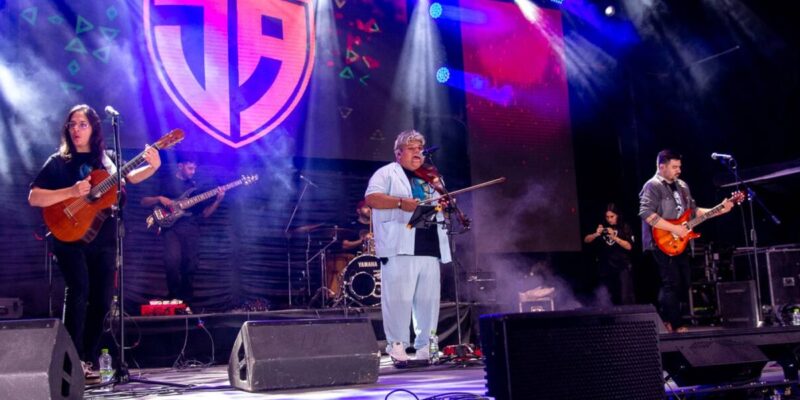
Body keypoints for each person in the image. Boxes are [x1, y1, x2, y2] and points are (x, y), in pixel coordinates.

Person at [28, 104, 161, 382]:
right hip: (67, 237)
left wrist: (153, 166)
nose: (76, 129)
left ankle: (87, 359)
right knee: (79, 291)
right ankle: (71, 358)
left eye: (82, 124)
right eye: (72, 124)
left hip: (103, 237)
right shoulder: (58, 161)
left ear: (94, 129)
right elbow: (35, 197)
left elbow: (130, 177)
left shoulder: (107, 159)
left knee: (102, 300)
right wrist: (71, 191)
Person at [365, 129, 452, 365]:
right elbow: (372, 199)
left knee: (428, 301)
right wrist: (400, 202)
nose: (417, 153)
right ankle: (397, 346)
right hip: (399, 246)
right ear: (398, 153)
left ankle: (426, 347)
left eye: (420, 149)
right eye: (411, 149)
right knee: (399, 300)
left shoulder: (432, 176)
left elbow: (441, 204)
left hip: (430, 247)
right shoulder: (386, 173)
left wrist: (446, 204)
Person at [639, 149, 733, 333]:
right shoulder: (652, 186)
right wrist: (674, 228)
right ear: (661, 167)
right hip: (660, 242)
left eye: (679, 167)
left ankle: (664, 317)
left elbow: (694, 212)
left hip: (680, 242)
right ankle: (676, 324)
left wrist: (719, 209)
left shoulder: (682, 186)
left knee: (684, 283)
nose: (679, 170)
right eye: (674, 167)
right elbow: (646, 214)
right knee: (671, 282)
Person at [140, 153, 224, 310]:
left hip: (190, 228)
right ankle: (173, 299)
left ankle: (187, 302)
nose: (193, 172)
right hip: (171, 228)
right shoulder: (166, 181)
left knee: (191, 264)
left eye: (194, 169)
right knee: (172, 262)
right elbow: (143, 201)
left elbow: (205, 214)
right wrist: (159, 198)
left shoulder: (195, 188)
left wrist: (218, 200)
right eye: (190, 168)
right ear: (180, 166)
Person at [583, 203, 635, 306]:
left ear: (617, 216)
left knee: (624, 297)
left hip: (622, 266)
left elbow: (629, 246)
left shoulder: (624, 227)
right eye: (607, 217)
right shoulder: (602, 226)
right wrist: (596, 234)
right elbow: (586, 240)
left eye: (612, 216)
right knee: (608, 297)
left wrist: (614, 237)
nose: (609, 219)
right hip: (606, 267)